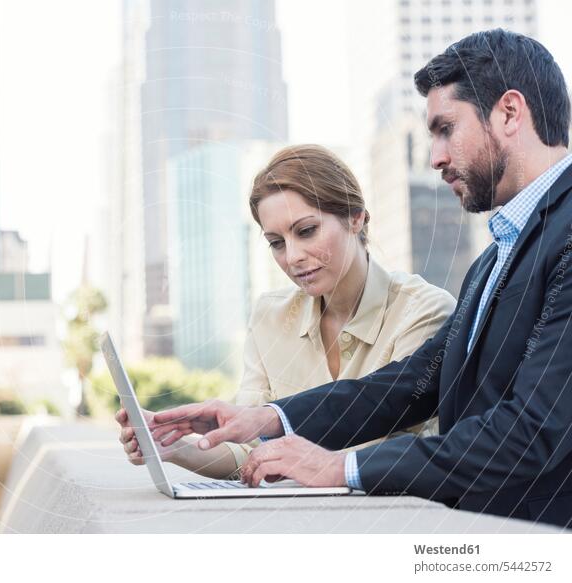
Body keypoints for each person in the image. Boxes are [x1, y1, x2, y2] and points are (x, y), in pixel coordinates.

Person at [149, 29, 572, 528]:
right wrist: (267, 418)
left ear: (508, 111)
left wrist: (339, 466)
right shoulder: (492, 259)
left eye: (445, 129)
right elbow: (414, 384)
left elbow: (535, 428)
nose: (435, 156)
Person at [116, 144, 455, 480]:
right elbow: (248, 451)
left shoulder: (423, 310)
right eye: (277, 242)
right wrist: (173, 449)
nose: (292, 257)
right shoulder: (270, 316)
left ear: (356, 218)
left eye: (306, 231)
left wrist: (286, 445)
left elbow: (400, 445)